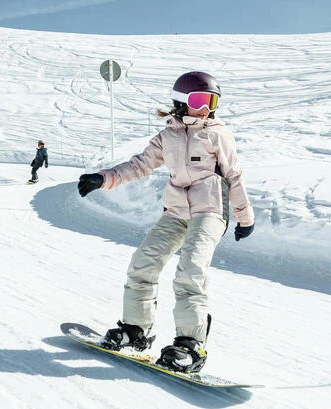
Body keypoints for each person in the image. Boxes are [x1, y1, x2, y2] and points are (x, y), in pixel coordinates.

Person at [77, 72, 255, 373]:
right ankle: (136, 330)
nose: (206, 108)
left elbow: (234, 176)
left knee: (191, 270)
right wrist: (104, 178)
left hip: (210, 210)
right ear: (182, 101)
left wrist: (244, 217)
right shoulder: (167, 136)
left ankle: (190, 346)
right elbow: (139, 165)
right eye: (200, 100)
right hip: (175, 211)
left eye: (212, 102)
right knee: (142, 263)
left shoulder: (217, 134)